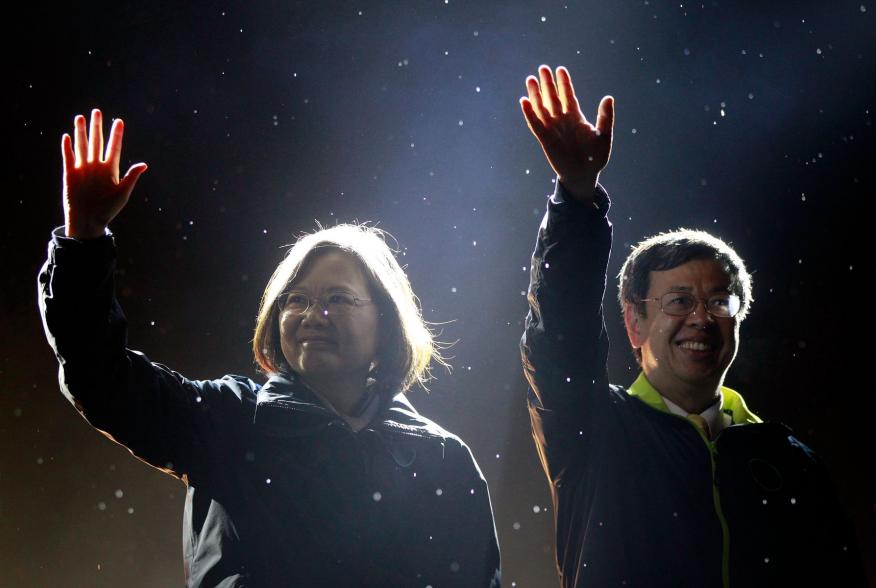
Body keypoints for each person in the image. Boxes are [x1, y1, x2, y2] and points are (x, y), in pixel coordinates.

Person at [39, 109, 501, 587]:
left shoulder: (442, 459)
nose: (311, 315)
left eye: (337, 299)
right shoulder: (232, 420)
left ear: (386, 322)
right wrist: (85, 241)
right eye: (296, 300)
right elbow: (100, 377)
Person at [518, 65, 866, 587]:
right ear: (635, 320)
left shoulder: (789, 460)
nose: (701, 318)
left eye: (719, 302)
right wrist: (577, 197)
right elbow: (560, 331)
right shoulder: (592, 426)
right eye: (679, 301)